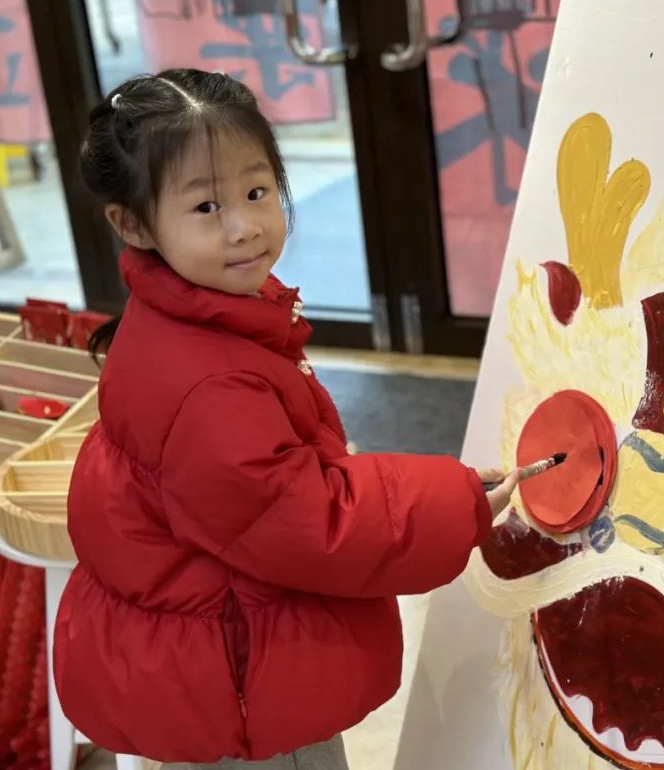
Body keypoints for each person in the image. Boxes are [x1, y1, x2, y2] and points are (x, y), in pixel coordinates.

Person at [53, 68, 519, 769]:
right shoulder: (207, 384)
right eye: (206, 206)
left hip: (206, 654)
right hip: (239, 679)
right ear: (133, 224)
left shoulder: (192, 313)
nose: (244, 226)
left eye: (257, 191)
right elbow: (303, 521)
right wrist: (452, 502)